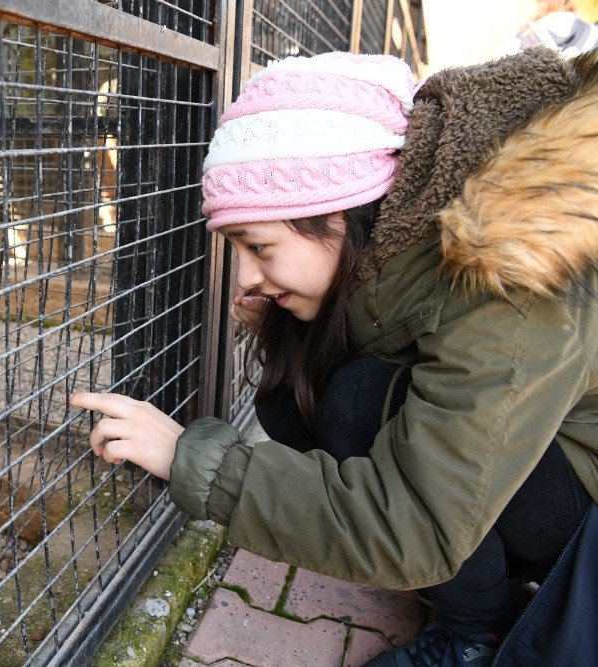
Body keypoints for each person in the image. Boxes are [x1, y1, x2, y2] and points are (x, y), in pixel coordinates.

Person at [69, 46, 598, 666]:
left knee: (353, 404)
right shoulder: (407, 232)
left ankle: (473, 637)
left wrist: (193, 461)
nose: (243, 278)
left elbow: (417, 525)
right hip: (530, 457)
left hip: (582, 512)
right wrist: (287, 319)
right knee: (299, 397)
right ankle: (475, 583)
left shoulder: (506, 280)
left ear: (342, 214)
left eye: (258, 246)